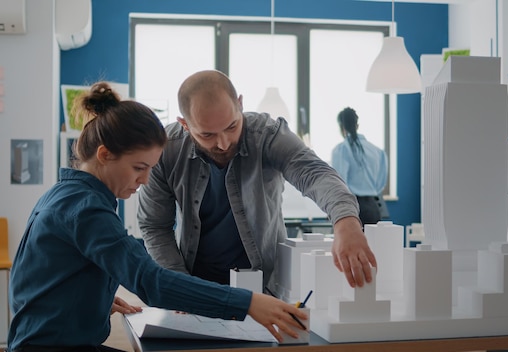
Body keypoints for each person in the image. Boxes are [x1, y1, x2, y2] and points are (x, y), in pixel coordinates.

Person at [8, 82, 307, 352]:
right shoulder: (86, 209)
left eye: (150, 168)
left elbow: (32, 283)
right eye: (139, 168)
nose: (145, 180)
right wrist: (249, 303)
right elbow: (152, 283)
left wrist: (87, 298)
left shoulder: (64, 194)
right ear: (104, 155)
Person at [137, 70, 376, 291]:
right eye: (207, 135)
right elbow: (154, 225)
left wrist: (346, 222)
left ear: (240, 104)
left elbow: (315, 174)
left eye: (232, 126)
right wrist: (180, 285)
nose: (223, 143)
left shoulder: (268, 135)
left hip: (265, 287)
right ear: (185, 125)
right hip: (197, 285)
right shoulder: (166, 150)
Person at [331, 107, 388, 225]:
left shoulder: (341, 150)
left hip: (351, 208)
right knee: (373, 243)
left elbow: (339, 183)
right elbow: (380, 184)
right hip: (373, 207)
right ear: (357, 125)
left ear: (341, 127)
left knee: (348, 243)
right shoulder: (377, 151)